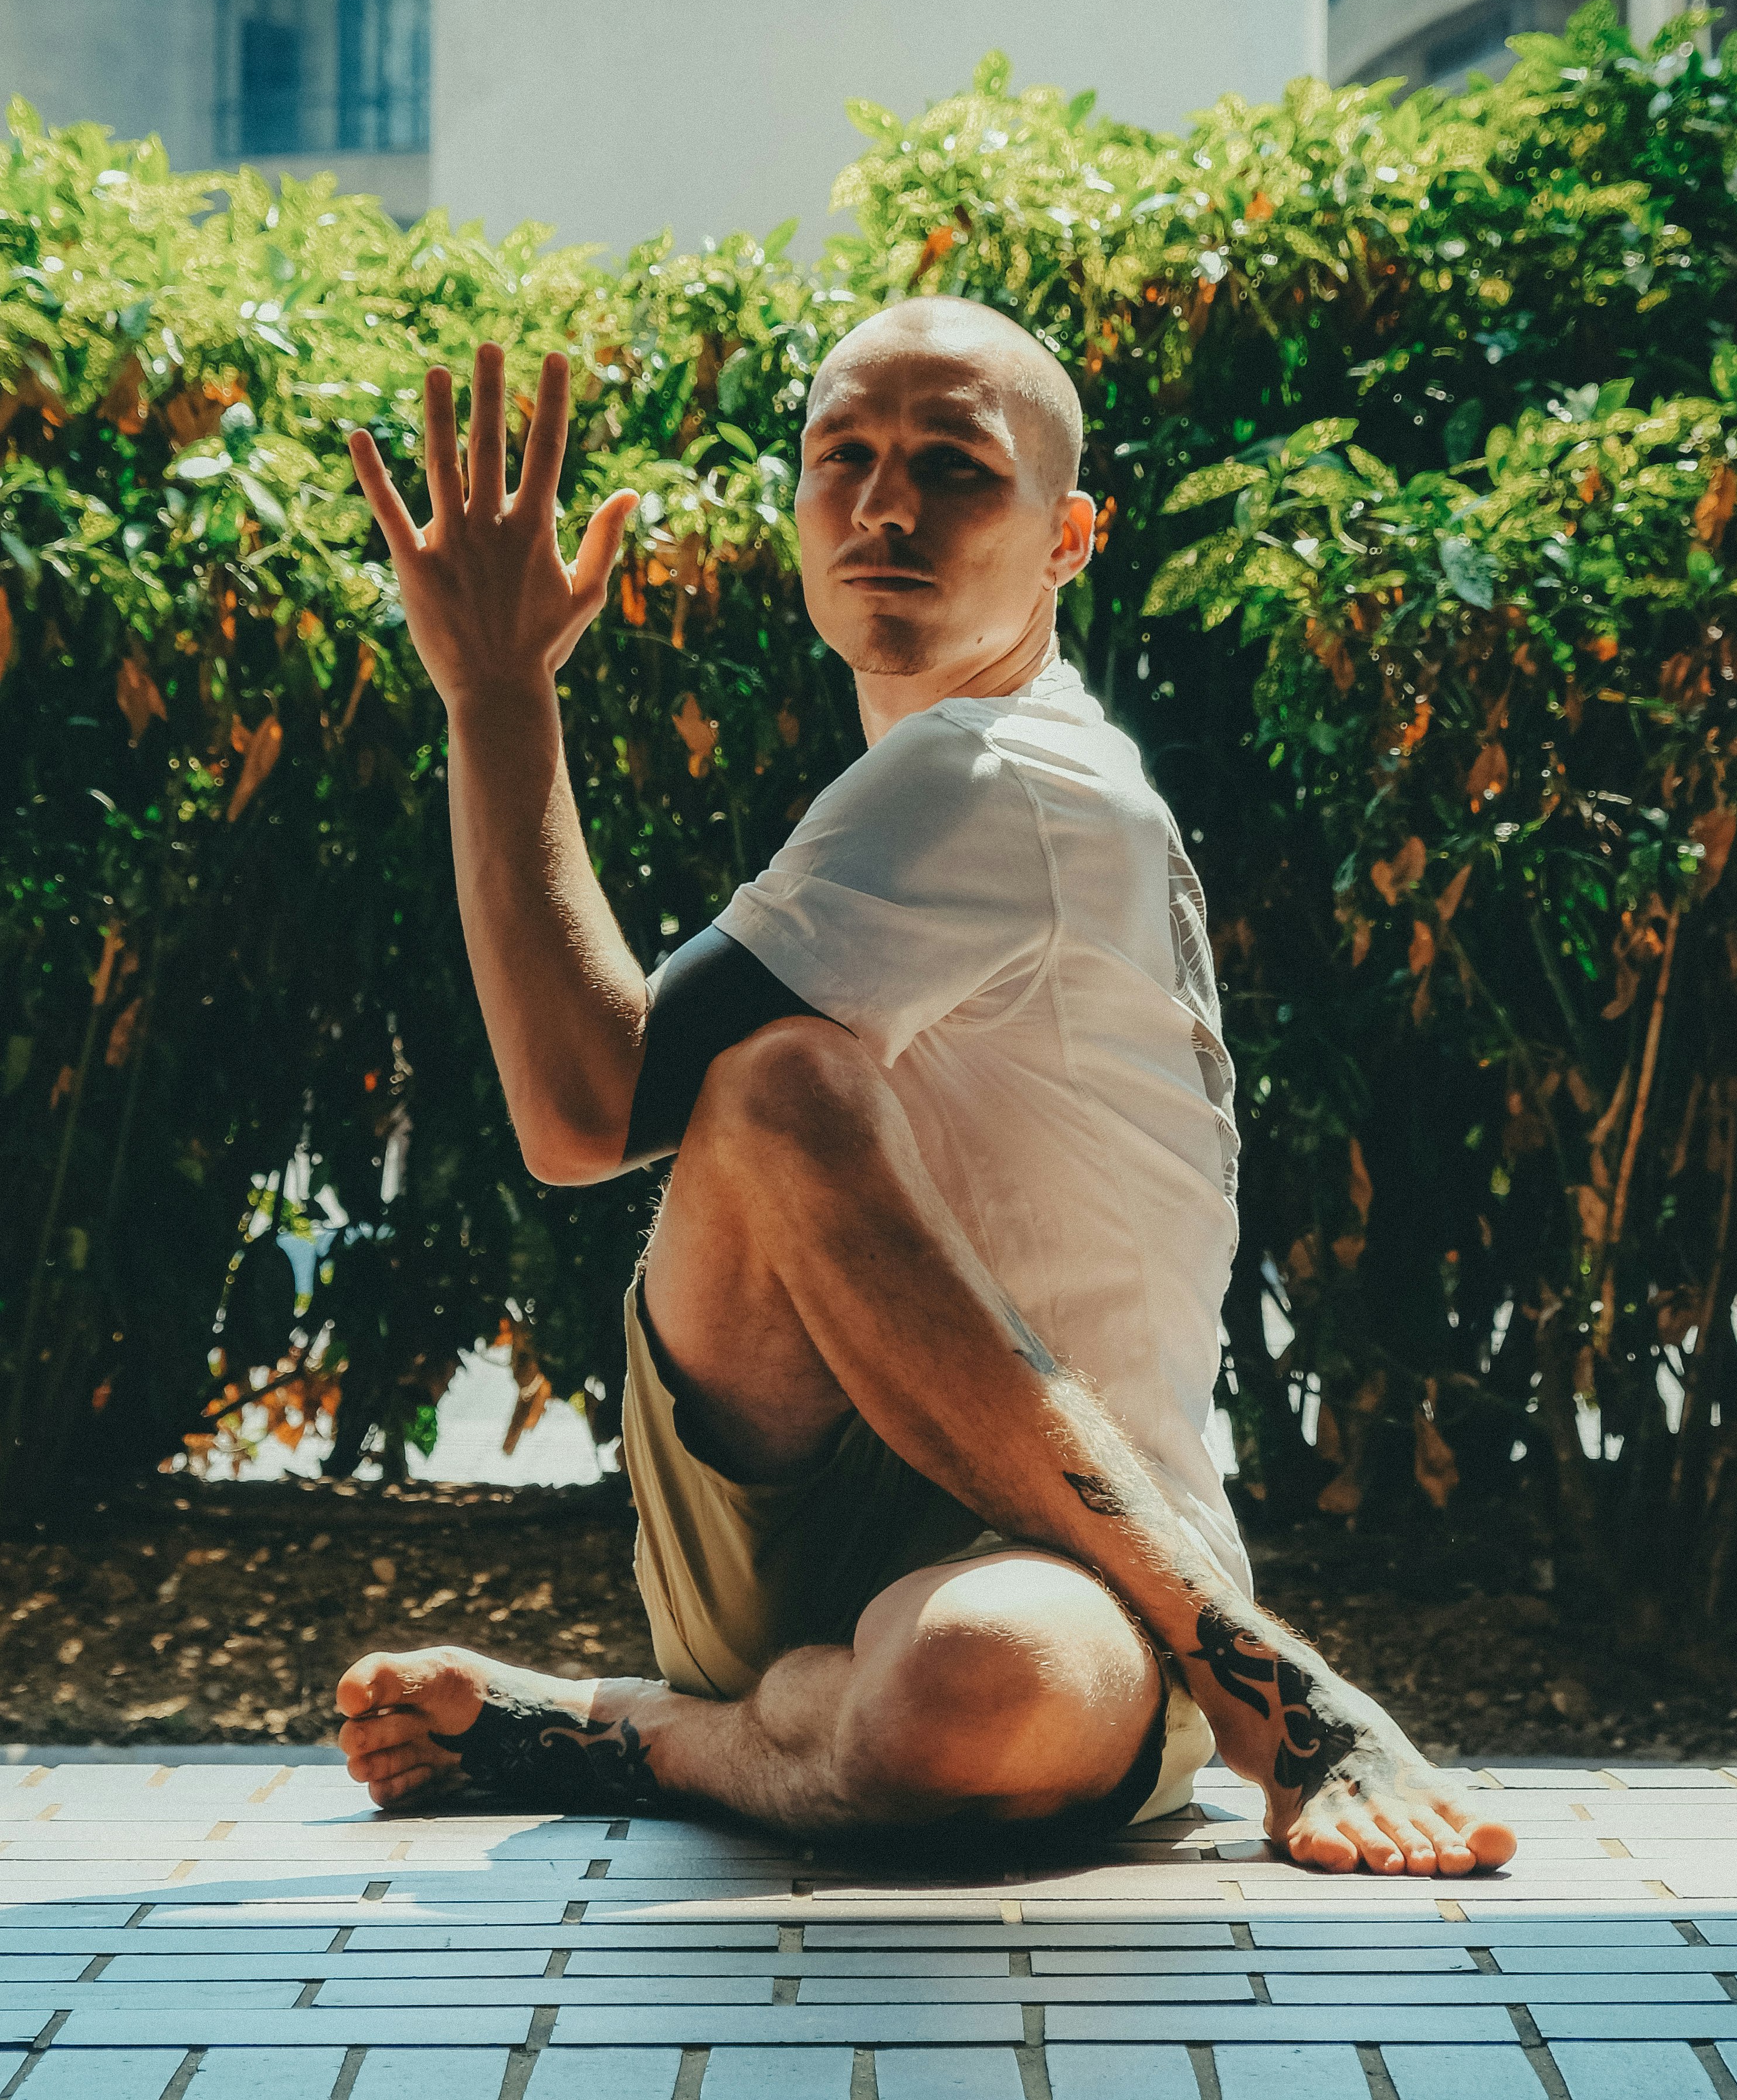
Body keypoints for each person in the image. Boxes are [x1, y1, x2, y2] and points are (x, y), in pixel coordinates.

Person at [335, 300, 1519, 1875]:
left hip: (1079, 1577)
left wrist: (499, 695)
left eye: (955, 467)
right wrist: (490, 687)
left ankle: (660, 1729)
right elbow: (581, 1112)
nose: (885, 506)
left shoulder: (1010, 768)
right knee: (774, 1084)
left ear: (1067, 536)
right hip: (768, 1507)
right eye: (845, 460)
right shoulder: (933, 771)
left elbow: (586, 1099)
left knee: (969, 1688)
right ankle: (768, 1722)